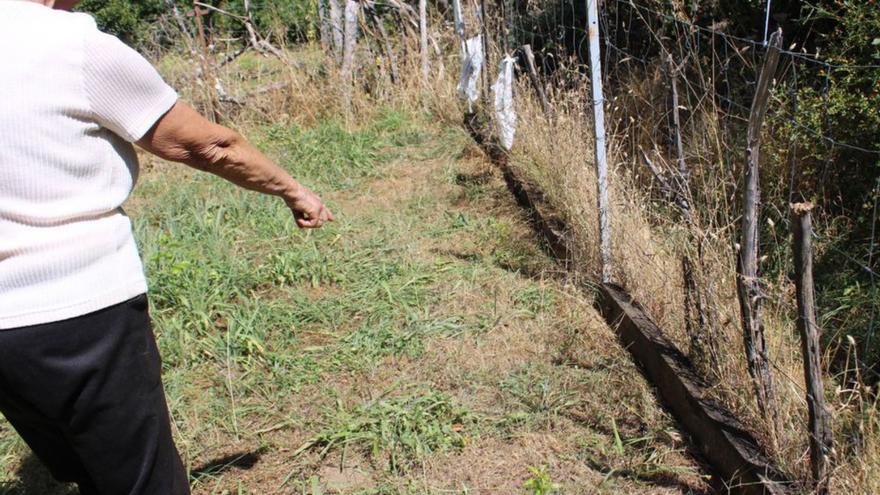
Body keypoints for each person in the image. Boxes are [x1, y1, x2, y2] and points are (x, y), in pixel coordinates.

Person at [0, 1, 334, 493]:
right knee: (142, 481)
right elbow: (209, 145)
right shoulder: (73, 47)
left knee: (78, 465)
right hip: (80, 312)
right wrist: (294, 190)